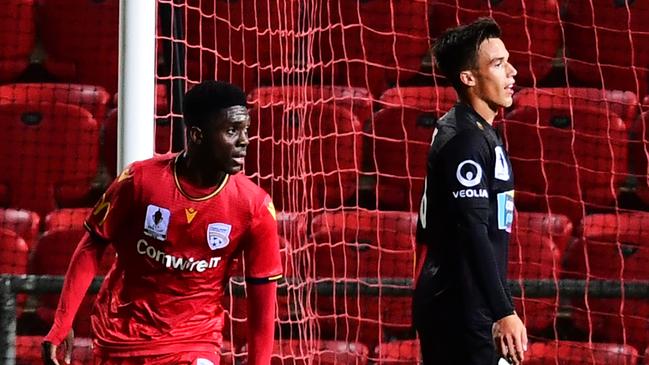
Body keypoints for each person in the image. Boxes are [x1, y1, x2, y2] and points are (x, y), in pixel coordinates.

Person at [42, 80, 282, 365]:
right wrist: (63, 320)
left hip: (194, 342)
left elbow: (262, 301)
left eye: (245, 130)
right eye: (231, 131)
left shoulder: (254, 206)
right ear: (196, 136)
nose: (244, 141)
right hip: (120, 337)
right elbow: (93, 245)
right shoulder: (140, 181)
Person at [413, 18, 527, 365]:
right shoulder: (465, 140)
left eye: (507, 60)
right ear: (468, 78)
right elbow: (472, 230)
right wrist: (502, 310)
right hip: (459, 308)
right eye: (497, 64)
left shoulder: (476, 129)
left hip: (470, 303)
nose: (512, 71)